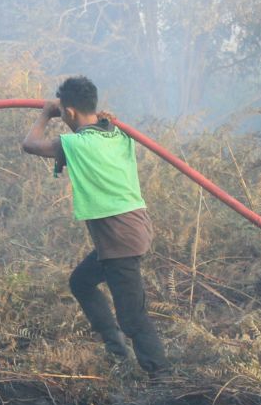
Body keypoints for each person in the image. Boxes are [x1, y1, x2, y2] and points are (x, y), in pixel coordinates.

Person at [21, 76, 168, 374]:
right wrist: (106, 121)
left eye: (63, 113)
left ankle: (161, 375)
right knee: (81, 282)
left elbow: (30, 144)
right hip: (130, 229)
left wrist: (44, 114)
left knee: (133, 317)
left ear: (70, 112)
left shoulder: (77, 143)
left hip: (120, 236)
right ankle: (116, 350)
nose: (62, 117)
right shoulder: (114, 134)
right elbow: (104, 130)